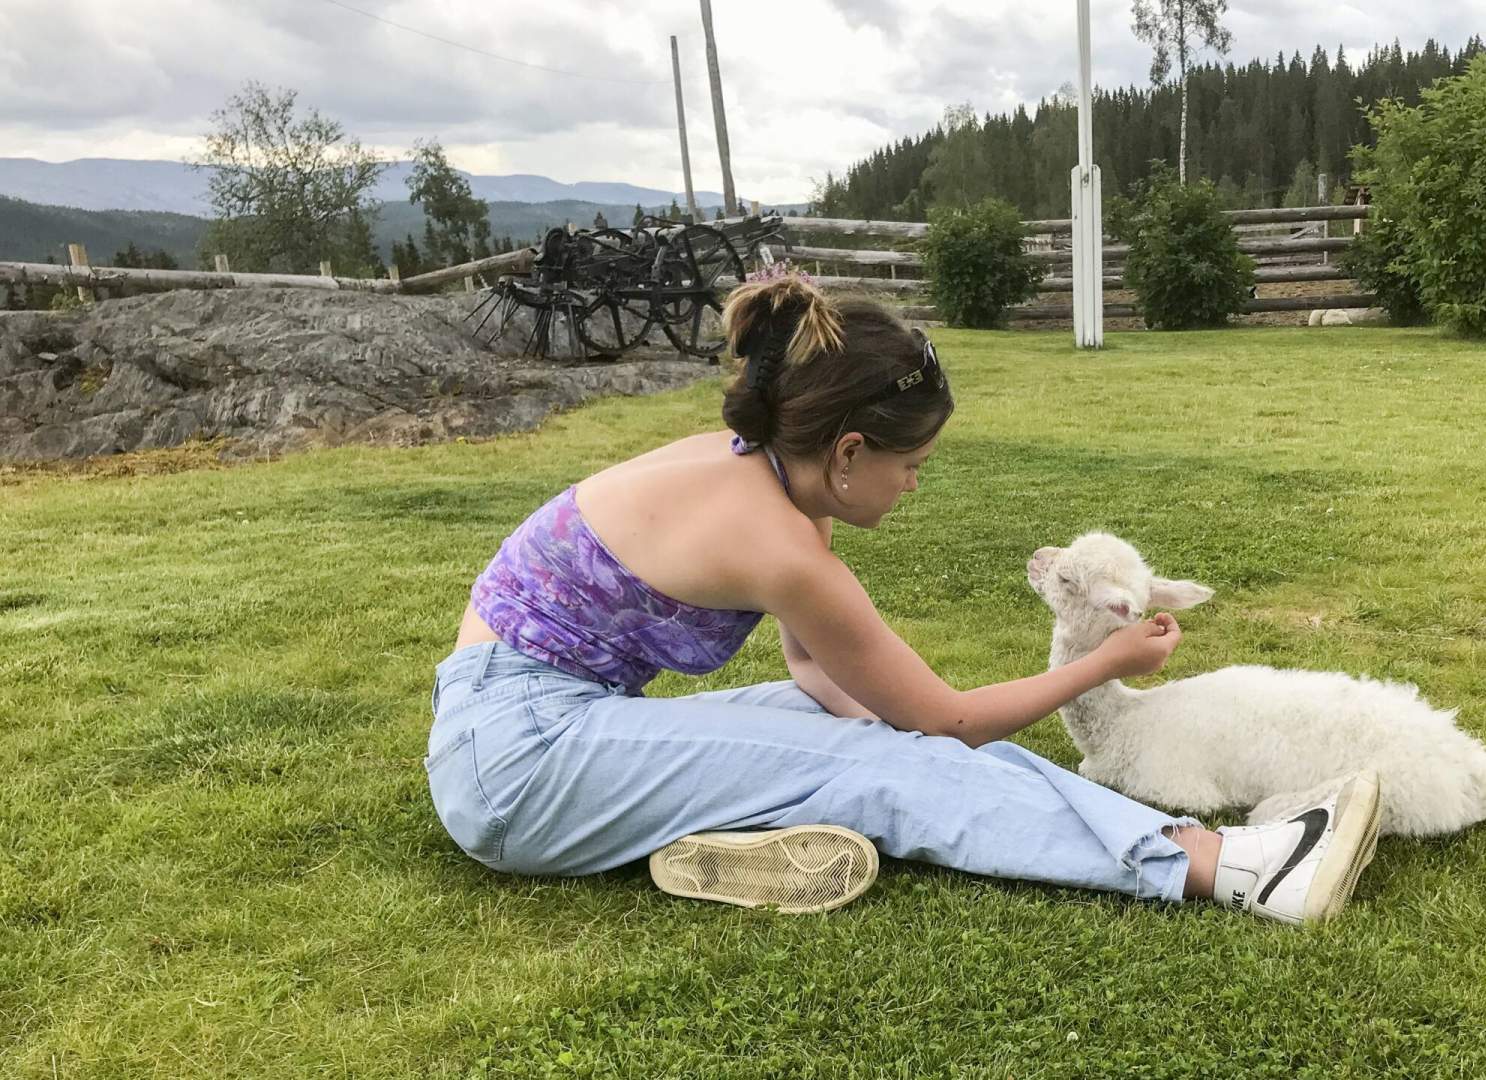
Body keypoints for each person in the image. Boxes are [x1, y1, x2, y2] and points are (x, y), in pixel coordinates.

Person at [425, 277, 1381, 922]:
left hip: (533, 726)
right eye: (912, 463)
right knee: (886, 761)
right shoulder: (777, 542)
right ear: (849, 453)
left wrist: (888, 735)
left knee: (860, 736)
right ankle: (1234, 870)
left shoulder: (763, 477)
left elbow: (814, 670)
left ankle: (736, 828)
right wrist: (1104, 664)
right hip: (518, 766)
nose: (916, 484)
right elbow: (952, 719)